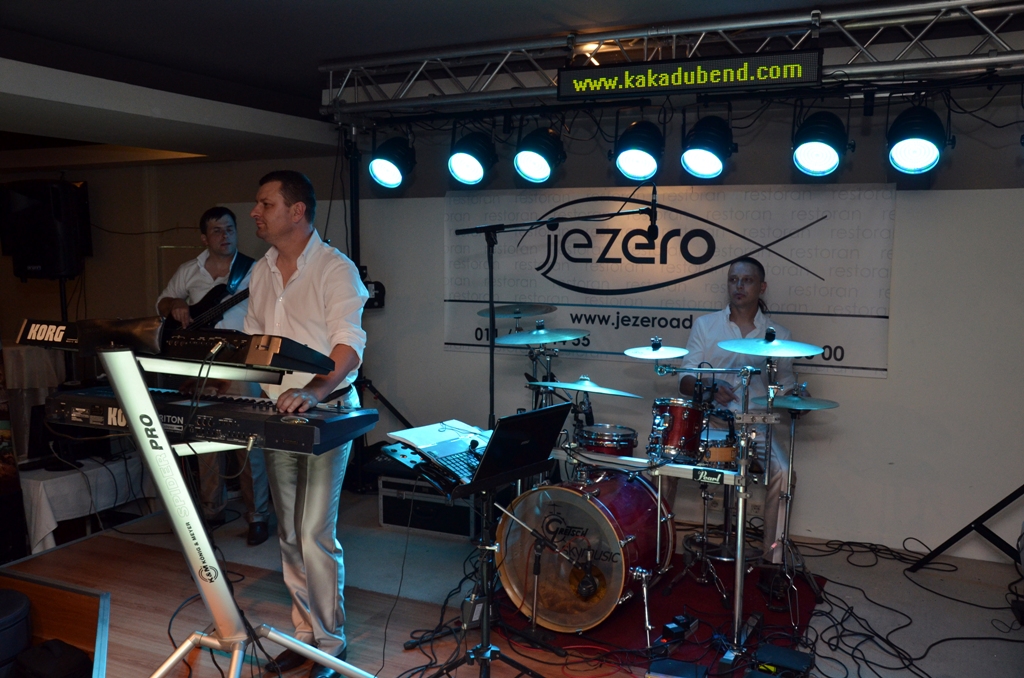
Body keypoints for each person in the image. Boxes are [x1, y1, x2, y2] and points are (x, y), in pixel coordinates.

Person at [245, 171, 367, 678]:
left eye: (265, 204)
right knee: (290, 532)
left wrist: (313, 391)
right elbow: (255, 340)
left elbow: (349, 344)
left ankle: (331, 644)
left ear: (297, 211)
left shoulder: (335, 268)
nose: (255, 213)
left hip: (327, 411)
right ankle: (305, 635)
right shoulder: (261, 270)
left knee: (315, 531)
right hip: (279, 413)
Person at [156, 207, 271, 546]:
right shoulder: (188, 270)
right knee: (205, 437)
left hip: (241, 363)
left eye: (230, 229)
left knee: (248, 441)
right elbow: (162, 303)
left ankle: (257, 515)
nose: (225, 235)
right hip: (200, 363)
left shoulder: (256, 270)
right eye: (217, 230)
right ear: (204, 237)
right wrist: (175, 304)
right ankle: (212, 508)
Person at [678, 256, 796, 567]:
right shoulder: (706, 325)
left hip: (756, 425)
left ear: (762, 287)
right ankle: (659, 547)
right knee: (669, 461)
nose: (738, 286)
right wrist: (709, 386)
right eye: (733, 280)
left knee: (784, 473)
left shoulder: (778, 334)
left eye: (747, 280)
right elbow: (685, 379)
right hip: (713, 423)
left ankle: (772, 560)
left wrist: (798, 397)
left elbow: (784, 384)